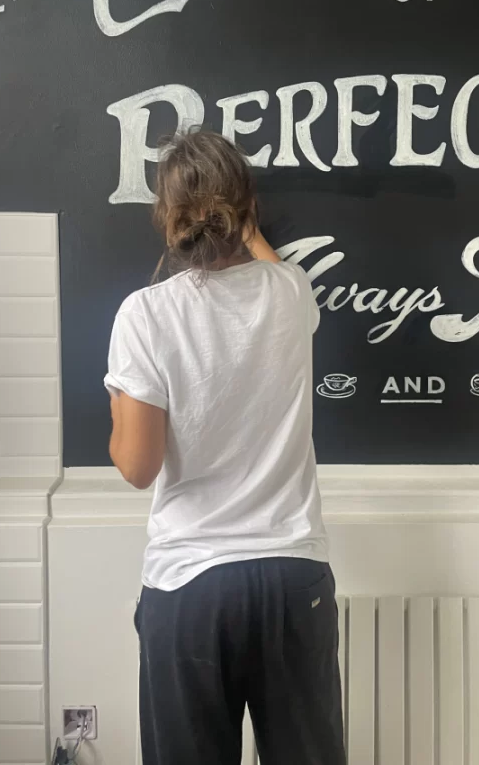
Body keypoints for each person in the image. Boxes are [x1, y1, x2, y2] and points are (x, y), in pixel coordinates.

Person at [104, 129, 346, 765]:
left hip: (191, 586)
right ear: (245, 209)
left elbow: (137, 466)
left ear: (166, 217)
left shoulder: (145, 315)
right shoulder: (291, 292)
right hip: (293, 577)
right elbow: (266, 262)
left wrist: (119, 405)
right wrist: (245, 226)